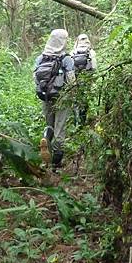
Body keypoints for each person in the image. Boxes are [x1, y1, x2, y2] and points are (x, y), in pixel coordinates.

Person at [34, 29, 75, 170]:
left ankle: (45, 139)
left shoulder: (40, 58)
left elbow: (35, 79)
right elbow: (71, 81)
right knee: (60, 127)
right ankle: (56, 164)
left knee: (49, 124)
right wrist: (73, 96)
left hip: (45, 97)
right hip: (62, 97)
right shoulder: (67, 59)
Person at [71, 34, 96, 124]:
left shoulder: (73, 51)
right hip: (87, 78)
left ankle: (75, 120)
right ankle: (83, 120)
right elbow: (94, 67)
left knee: (75, 99)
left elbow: (70, 68)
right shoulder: (91, 52)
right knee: (85, 98)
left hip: (75, 78)